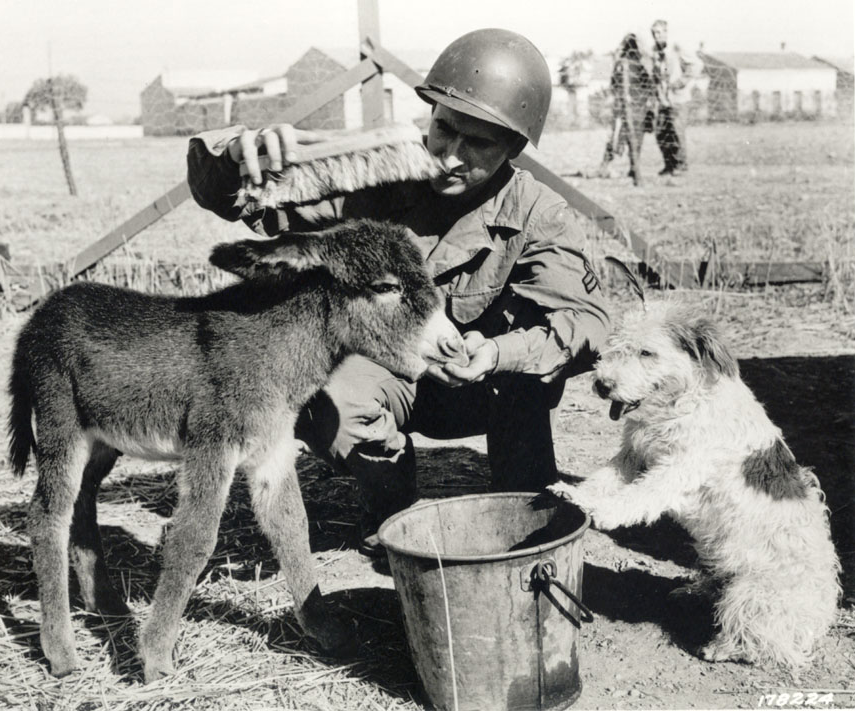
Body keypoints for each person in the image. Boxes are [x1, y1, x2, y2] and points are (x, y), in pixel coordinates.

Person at [186, 28, 610, 555]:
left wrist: (498, 353)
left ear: (514, 148)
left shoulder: (539, 213)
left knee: (531, 510)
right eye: (444, 129)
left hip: (487, 391)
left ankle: (526, 500)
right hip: (392, 377)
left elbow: (586, 325)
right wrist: (235, 156)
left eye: (478, 144)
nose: (450, 157)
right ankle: (393, 504)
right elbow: (244, 202)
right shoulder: (380, 177)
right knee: (326, 393)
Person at [596, 33, 654, 182]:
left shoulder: (622, 64)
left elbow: (614, 84)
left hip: (626, 107)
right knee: (633, 138)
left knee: (616, 137)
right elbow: (648, 85)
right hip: (636, 107)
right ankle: (633, 169)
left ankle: (607, 166)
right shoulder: (640, 65)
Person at [650, 19, 702, 175]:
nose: (657, 36)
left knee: (676, 132)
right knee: (661, 132)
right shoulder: (654, 51)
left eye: (659, 32)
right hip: (663, 99)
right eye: (654, 33)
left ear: (666, 32)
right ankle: (669, 165)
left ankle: (681, 166)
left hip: (679, 99)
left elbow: (697, 65)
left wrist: (681, 82)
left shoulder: (676, 48)